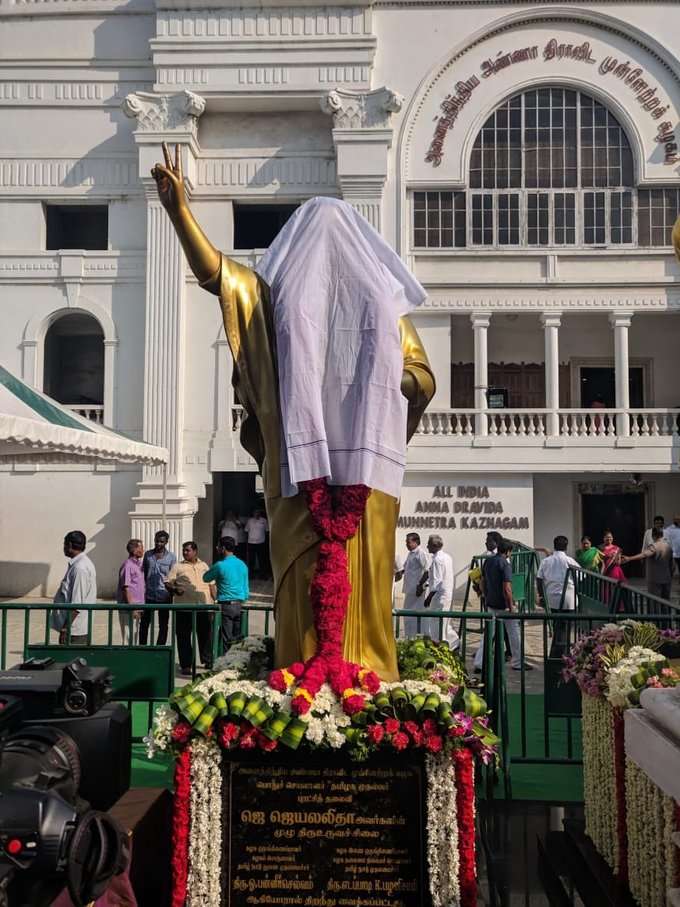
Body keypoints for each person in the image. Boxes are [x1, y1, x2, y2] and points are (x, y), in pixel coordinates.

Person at [151, 144, 434, 682]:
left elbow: (421, 376)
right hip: (297, 477)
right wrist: (180, 213)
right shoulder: (273, 301)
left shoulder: (383, 311)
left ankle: (370, 675)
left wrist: (378, 379)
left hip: (365, 482)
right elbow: (219, 277)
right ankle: (300, 675)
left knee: (368, 584)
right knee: (301, 588)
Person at [473, 540, 531, 673]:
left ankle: (479, 662)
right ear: (508, 551)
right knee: (514, 633)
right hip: (503, 605)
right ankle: (517, 661)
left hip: (491, 602)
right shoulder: (505, 564)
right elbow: (507, 588)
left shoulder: (488, 561)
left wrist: (485, 596)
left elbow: (482, 581)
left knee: (488, 633)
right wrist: (511, 606)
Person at [165, 542, 215, 676]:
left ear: (195, 551)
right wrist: (175, 589)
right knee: (183, 636)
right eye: (184, 550)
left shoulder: (204, 565)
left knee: (205, 635)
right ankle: (186, 665)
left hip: (203, 606)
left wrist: (215, 602)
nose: (185, 553)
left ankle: (208, 660)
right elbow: (168, 582)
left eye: (187, 550)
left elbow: (212, 585)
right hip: (184, 608)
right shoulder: (177, 566)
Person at [203, 537, 250, 653]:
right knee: (238, 640)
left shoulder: (220, 565)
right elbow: (246, 588)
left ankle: (225, 666)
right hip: (239, 605)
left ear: (223, 548)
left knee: (226, 639)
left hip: (226, 605)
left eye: (218, 546)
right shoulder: (242, 564)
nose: (217, 548)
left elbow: (206, 578)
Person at [52, 530, 96, 644]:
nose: (63, 547)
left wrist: (65, 628)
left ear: (70, 545)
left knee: (71, 661)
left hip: (75, 631)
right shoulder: (79, 564)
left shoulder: (79, 568)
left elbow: (77, 604)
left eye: (64, 544)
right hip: (74, 628)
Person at [140, 530, 177, 646]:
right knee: (145, 623)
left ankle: (160, 647)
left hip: (164, 595)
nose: (158, 544)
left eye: (161, 542)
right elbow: (144, 573)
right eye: (157, 541)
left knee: (163, 624)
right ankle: (143, 647)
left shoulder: (171, 557)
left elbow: (172, 576)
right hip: (149, 595)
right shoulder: (148, 555)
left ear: (166, 542)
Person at [422, 535, 457, 647]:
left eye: (429, 544)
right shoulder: (447, 557)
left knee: (437, 624)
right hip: (446, 595)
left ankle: (440, 647)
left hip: (439, 596)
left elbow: (436, 582)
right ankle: (454, 643)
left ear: (435, 545)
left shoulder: (437, 559)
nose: (427, 546)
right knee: (445, 622)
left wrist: (428, 598)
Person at [623, 528, 674, 600]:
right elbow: (673, 566)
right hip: (667, 579)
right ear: (662, 535)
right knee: (666, 603)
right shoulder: (668, 547)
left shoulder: (654, 546)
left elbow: (644, 554)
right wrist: (669, 575)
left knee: (654, 603)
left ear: (653, 536)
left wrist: (629, 558)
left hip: (655, 580)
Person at [397, 533, 430, 637]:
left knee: (415, 615)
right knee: (408, 615)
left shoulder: (421, 553)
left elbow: (428, 570)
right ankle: (409, 636)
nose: (407, 544)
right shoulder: (411, 553)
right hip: (410, 590)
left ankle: (416, 637)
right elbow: (404, 568)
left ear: (416, 542)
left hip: (417, 591)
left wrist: (421, 586)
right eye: (406, 542)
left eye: (409, 542)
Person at [116, 539, 144, 644]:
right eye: (141, 548)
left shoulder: (139, 565)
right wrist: (132, 608)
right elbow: (125, 588)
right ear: (134, 550)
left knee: (135, 636)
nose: (143, 550)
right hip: (129, 608)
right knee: (128, 638)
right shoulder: (128, 565)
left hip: (138, 607)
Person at [245, 508, 269, 579]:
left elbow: (267, 531)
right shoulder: (250, 520)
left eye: (258, 512)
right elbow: (246, 531)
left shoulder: (264, 520)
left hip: (261, 543)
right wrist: (247, 541)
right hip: (251, 543)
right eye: (255, 512)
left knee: (262, 559)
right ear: (253, 513)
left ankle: (263, 575)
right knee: (251, 560)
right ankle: (250, 575)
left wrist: (266, 541)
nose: (256, 513)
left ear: (260, 513)